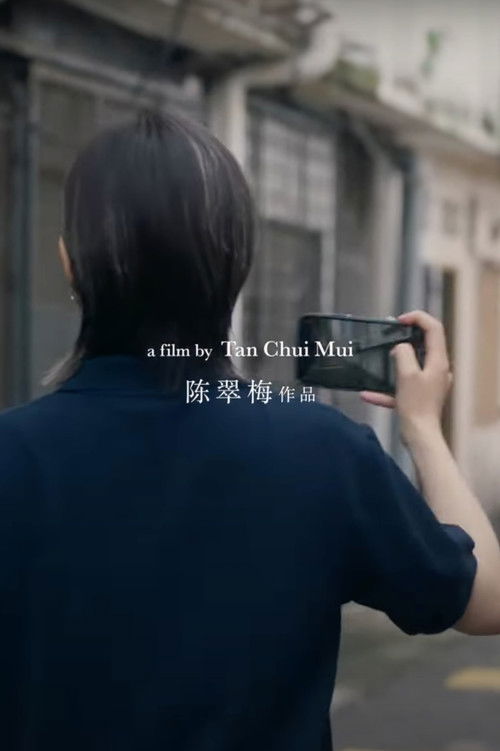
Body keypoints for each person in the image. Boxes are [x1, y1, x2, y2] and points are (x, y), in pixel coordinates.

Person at [0, 111, 499, 751]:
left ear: (70, 263)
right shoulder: (322, 451)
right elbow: (484, 601)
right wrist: (424, 426)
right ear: (236, 264)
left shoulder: (13, 457)